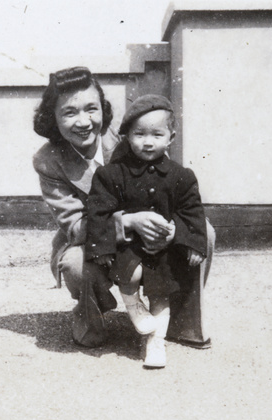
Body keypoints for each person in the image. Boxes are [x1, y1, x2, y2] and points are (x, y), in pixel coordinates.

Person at [32, 66, 215, 349]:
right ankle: (90, 317)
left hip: (150, 227)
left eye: (91, 109)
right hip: (92, 238)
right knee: (75, 264)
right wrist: (129, 222)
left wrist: (170, 228)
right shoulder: (48, 161)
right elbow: (77, 226)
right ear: (52, 119)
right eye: (70, 112)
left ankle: (183, 320)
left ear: (103, 110)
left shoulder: (127, 136)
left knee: (204, 231)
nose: (83, 122)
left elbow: (168, 187)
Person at [85, 95, 207, 368]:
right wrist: (103, 248)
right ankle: (134, 307)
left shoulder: (181, 176)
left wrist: (188, 239)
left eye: (157, 134)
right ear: (127, 136)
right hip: (127, 247)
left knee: (161, 291)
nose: (148, 141)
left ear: (171, 137)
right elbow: (98, 213)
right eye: (139, 134)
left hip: (162, 249)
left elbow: (191, 211)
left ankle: (156, 342)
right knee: (133, 272)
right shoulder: (111, 174)